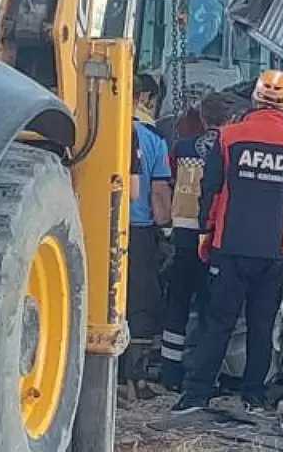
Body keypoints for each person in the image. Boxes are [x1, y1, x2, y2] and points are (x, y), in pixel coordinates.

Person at [174, 70, 283, 414]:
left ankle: (196, 394)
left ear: (255, 99)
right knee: (262, 325)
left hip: (230, 246)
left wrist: (206, 234)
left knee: (218, 322)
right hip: (275, 251)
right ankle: (253, 396)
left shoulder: (228, 138)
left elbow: (209, 191)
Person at [160, 93, 230, 390]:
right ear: (228, 120)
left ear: (202, 118)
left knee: (177, 303)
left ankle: (169, 372)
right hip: (212, 238)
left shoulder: (182, 147)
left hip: (182, 234)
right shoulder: (229, 149)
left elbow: (169, 179)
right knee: (207, 308)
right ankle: (201, 375)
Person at [125, 74, 172, 393]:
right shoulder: (153, 141)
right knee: (141, 302)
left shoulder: (94, 129)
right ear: (143, 98)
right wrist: (166, 227)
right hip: (140, 231)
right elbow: (158, 195)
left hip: (98, 227)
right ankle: (135, 377)